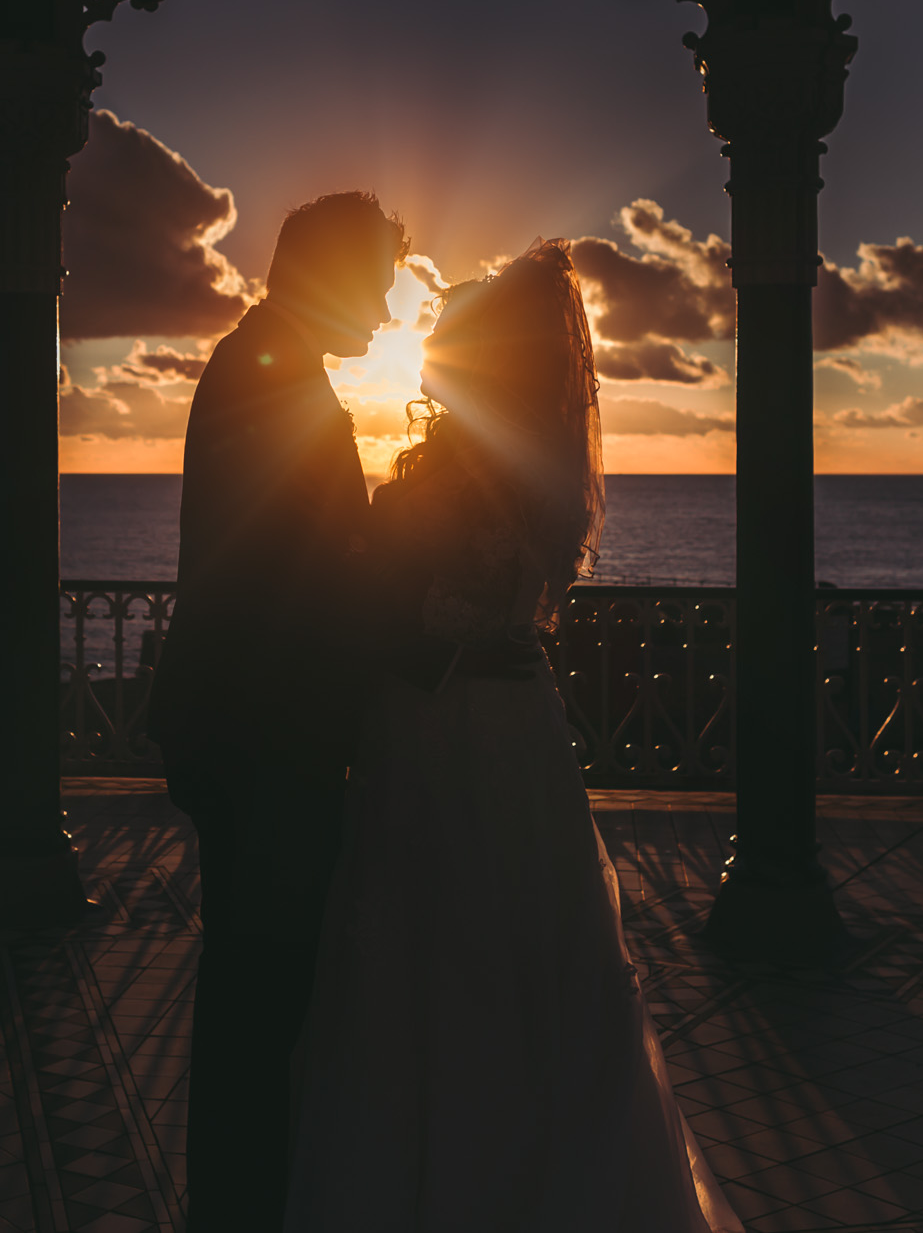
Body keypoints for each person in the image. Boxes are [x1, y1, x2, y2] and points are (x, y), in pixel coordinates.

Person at [285, 242, 742, 1232]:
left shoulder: (469, 475)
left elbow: (435, 610)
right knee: (518, 963)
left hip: (448, 727)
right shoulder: (528, 471)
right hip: (509, 724)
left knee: (454, 959)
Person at [149, 190, 431, 1233]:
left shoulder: (264, 367)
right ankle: (240, 1206)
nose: (388, 312)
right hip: (267, 738)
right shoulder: (270, 382)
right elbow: (302, 581)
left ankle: (243, 1199)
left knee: (255, 989)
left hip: (251, 728)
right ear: (326, 275)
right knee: (258, 995)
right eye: (377, 285)